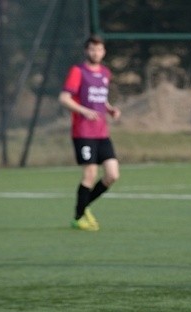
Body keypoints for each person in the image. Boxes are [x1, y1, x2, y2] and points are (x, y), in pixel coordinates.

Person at [59, 35, 121, 232]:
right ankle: (78, 217)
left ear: (104, 52)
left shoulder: (105, 72)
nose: (96, 53)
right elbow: (64, 98)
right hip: (83, 132)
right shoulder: (78, 71)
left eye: (100, 49)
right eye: (93, 49)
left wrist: (110, 109)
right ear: (87, 51)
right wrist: (84, 111)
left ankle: (83, 208)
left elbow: (99, 98)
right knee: (90, 173)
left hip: (102, 132)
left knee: (112, 175)